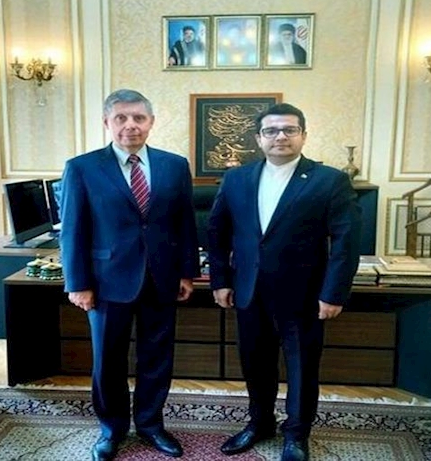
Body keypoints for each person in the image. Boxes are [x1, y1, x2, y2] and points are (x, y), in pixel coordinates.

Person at [207, 103, 361, 461]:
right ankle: (259, 423)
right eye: (271, 130)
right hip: (248, 291)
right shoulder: (236, 178)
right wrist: (220, 280)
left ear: (303, 135)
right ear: (258, 138)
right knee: (255, 364)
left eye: (289, 130)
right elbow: (217, 233)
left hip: (304, 294)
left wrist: (334, 292)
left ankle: (296, 435)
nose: (280, 136)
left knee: (302, 368)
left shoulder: (329, 180)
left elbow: (346, 241)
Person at [60, 89, 199, 461]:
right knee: (108, 360)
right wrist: (78, 283)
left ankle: (151, 425)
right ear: (107, 122)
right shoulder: (82, 168)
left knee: (157, 357)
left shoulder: (174, 165)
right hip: (105, 281)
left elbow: (185, 223)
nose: (130, 125)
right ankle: (112, 429)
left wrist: (188, 272)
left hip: (161, 277)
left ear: (151, 122)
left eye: (138, 117)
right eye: (121, 117)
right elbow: (72, 230)